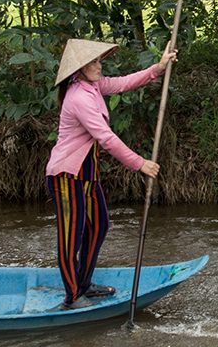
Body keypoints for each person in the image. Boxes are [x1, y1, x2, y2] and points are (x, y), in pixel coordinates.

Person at [46, 38, 176, 308]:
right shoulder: (78, 97)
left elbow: (123, 83)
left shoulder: (93, 86)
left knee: (99, 225)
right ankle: (73, 296)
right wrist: (139, 163)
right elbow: (106, 138)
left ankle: (84, 283)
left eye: (98, 60)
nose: (99, 65)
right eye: (93, 62)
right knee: (71, 238)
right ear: (80, 69)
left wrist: (158, 68)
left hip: (86, 174)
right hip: (66, 177)